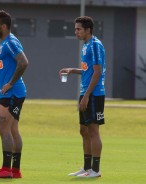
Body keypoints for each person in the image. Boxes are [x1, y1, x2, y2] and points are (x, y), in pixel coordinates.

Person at [59, 16, 106, 178]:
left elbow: (98, 72)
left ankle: (96, 170)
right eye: (75, 29)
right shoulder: (85, 46)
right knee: (83, 130)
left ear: (88, 30)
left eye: (79, 29)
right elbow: (88, 70)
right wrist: (73, 70)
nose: (76, 32)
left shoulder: (95, 45)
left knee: (93, 131)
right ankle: (87, 168)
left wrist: (86, 96)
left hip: (94, 94)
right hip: (85, 92)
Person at [0, 10, 29, 179]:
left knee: (3, 129)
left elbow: (24, 62)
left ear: (3, 26)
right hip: (13, 92)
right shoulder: (7, 42)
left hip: (10, 93)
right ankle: (15, 170)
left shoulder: (10, 42)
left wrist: (10, 83)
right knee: (13, 130)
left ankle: (5, 169)